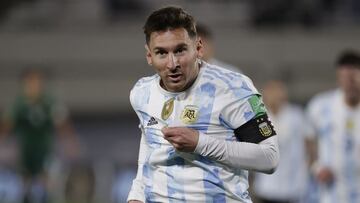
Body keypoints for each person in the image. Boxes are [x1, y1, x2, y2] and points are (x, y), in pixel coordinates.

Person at [127, 6, 279, 203]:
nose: (172, 63)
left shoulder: (233, 88)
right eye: (162, 53)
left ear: (198, 48)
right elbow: (149, 146)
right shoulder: (142, 93)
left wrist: (201, 143)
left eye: (180, 50)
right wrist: (136, 194)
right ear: (149, 56)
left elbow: (269, 157)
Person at [0, 68, 79, 203]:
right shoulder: (19, 104)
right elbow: (7, 124)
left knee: (46, 185)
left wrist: (70, 142)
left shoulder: (48, 102)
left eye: (36, 82)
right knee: (25, 186)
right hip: (26, 152)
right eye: (30, 83)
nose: (33, 86)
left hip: (45, 151)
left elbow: (61, 123)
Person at [306, 50, 360, 203]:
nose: (350, 83)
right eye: (345, 78)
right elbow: (308, 139)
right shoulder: (321, 106)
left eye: (354, 78)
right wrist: (316, 166)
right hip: (329, 194)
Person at [252, 80, 309, 203]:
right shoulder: (259, 118)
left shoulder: (296, 115)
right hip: (266, 185)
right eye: (270, 93)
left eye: (276, 92)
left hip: (293, 185)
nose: (273, 97)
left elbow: (308, 143)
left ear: (283, 95)